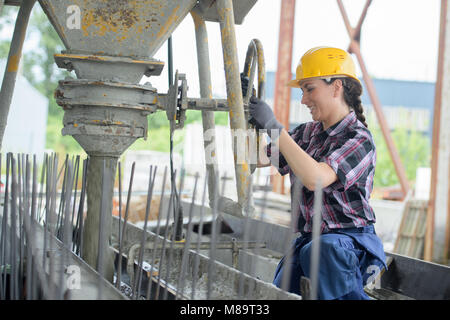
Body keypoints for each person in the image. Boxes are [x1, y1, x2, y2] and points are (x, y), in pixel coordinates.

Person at [245, 46, 387, 300]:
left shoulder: (359, 139)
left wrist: (275, 128)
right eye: (302, 91)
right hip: (310, 242)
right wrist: (240, 114)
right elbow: (251, 158)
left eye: (310, 89)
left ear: (337, 86)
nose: (303, 100)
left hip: (348, 244)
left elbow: (316, 179)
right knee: (281, 289)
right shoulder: (306, 134)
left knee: (321, 251)